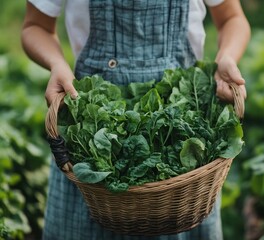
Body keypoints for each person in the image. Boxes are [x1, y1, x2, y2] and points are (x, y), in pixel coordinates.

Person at [21, 0, 250, 239]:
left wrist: (227, 57)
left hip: (185, 164)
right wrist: (57, 64)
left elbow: (231, 19)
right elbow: (35, 26)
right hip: (92, 134)